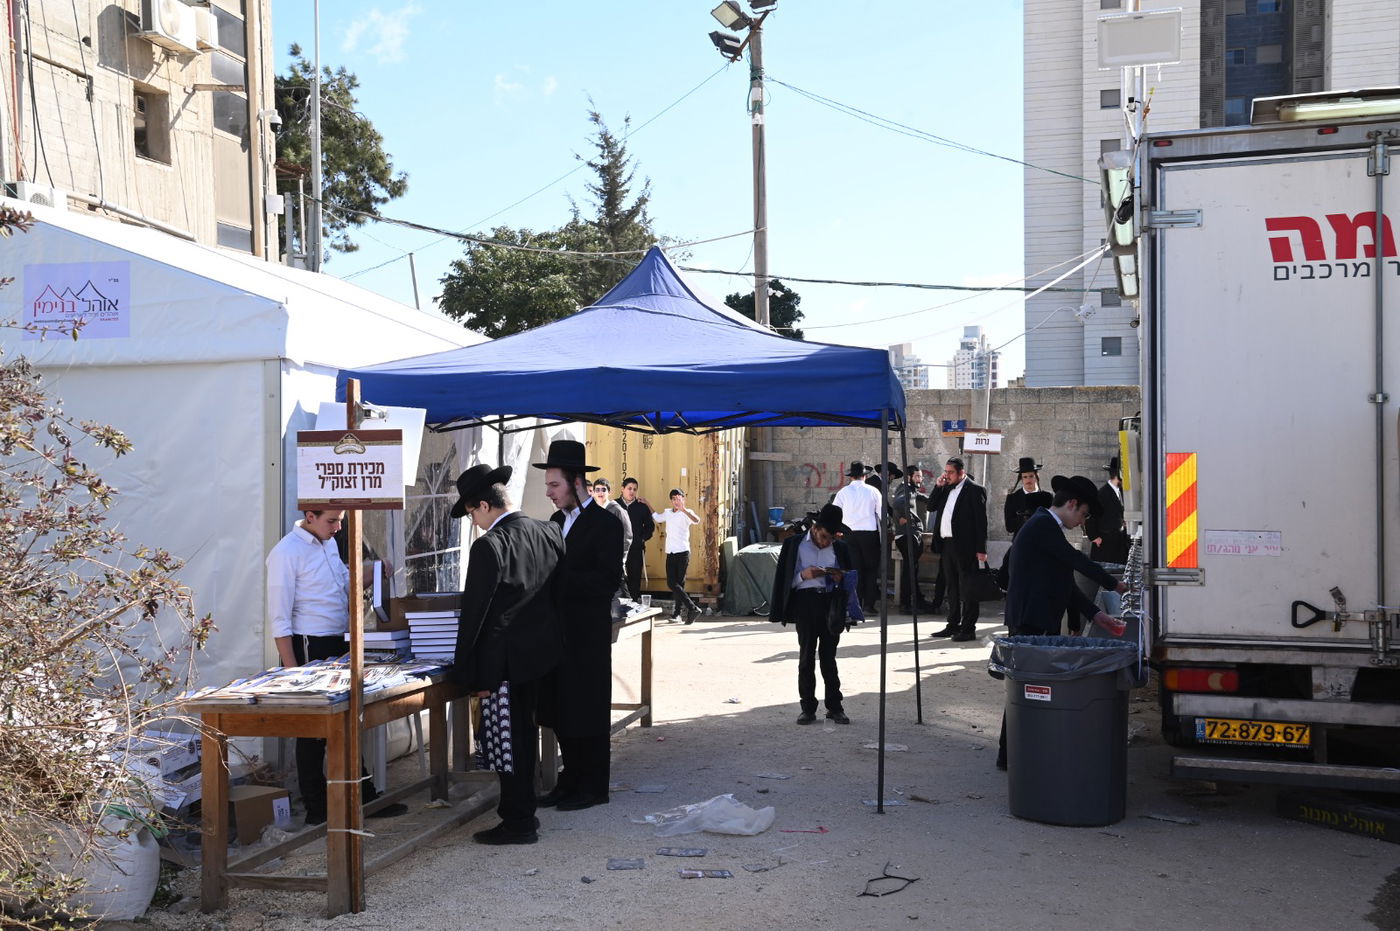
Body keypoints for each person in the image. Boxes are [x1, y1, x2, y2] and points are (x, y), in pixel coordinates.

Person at [266, 509, 407, 825]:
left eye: (341, 519)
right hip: (309, 644)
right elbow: (279, 617)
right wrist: (293, 672)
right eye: (332, 520)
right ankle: (317, 808)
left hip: (339, 640)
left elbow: (343, 581)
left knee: (346, 719)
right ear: (310, 516)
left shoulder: (328, 542)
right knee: (312, 729)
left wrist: (373, 571)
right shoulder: (286, 552)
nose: (339, 526)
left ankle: (363, 797)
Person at [449, 464, 565, 845]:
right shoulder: (548, 531)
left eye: (471, 514)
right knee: (524, 736)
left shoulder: (489, 546)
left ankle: (518, 821)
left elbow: (476, 616)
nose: (475, 523)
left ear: (484, 505)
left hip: (503, 663)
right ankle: (522, 812)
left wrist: (466, 672)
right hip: (542, 656)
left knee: (508, 741)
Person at [997, 474, 1129, 769]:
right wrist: (1116, 584)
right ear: (1072, 504)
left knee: (1029, 686)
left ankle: (1015, 752)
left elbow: (1065, 584)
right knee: (1026, 687)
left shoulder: (1047, 527)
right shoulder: (1043, 525)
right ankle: (1012, 755)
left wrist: (1097, 616)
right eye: (1083, 514)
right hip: (1029, 618)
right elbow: (1077, 561)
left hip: (1037, 616)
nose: (1082, 521)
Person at [534, 440, 624, 812]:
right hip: (558, 633)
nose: (549, 493)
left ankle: (593, 786)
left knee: (588, 707)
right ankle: (569, 781)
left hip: (587, 634)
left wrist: (559, 581)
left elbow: (607, 581)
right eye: (548, 486)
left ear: (575, 482)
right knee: (561, 708)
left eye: (554, 485)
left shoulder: (605, 522)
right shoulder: (557, 522)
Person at [769, 504, 856, 725]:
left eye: (831, 539)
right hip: (805, 603)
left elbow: (851, 580)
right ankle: (807, 708)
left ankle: (835, 707)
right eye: (824, 536)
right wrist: (803, 575)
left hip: (831, 603)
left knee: (829, 657)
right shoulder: (794, 545)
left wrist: (839, 578)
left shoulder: (840, 548)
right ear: (815, 528)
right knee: (806, 655)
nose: (827, 542)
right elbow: (784, 579)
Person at [928, 457, 989, 642]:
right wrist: (938, 487)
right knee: (951, 586)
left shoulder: (975, 490)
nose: (947, 475)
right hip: (947, 545)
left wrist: (981, 549)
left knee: (968, 587)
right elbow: (931, 506)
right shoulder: (945, 488)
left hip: (967, 547)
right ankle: (952, 624)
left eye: (950, 472)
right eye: (945, 472)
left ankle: (968, 628)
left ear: (961, 472)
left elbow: (981, 522)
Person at [832, 461, 883, 613]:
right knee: (871, 570)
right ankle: (869, 605)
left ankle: (855, 604)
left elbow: (834, 512)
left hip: (849, 534)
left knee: (854, 569)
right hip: (869, 534)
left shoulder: (843, 492)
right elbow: (881, 514)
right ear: (864, 476)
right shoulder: (873, 491)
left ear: (851, 477)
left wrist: (837, 529)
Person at [652, 489, 702, 623]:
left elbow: (697, 520)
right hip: (671, 552)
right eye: (674, 498)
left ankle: (677, 614)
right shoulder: (668, 513)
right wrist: (646, 503)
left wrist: (684, 509)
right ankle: (692, 608)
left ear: (683, 499)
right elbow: (656, 517)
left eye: (679, 498)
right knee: (672, 583)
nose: (676, 501)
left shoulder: (687, 512)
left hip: (683, 552)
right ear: (671, 501)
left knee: (679, 584)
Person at [892, 464, 932, 612]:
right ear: (908, 477)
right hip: (908, 535)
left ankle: (915, 599)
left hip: (909, 534)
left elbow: (924, 498)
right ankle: (906, 603)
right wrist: (906, 518)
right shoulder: (906, 490)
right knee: (910, 570)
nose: (920, 479)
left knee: (911, 569)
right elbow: (897, 503)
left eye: (921, 476)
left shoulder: (910, 490)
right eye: (917, 476)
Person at [589, 477, 633, 599]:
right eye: (597, 490)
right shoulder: (593, 511)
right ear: (593, 493)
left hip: (615, 559)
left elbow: (628, 535)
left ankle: (632, 616)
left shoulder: (617, 510)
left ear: (609, 492)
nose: (600, 493)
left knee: (622, 593)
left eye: (603, 490)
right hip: (600, 561)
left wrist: (622, 558)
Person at [1085, 456, 1130, 565]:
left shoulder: (1121, 492)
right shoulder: (1103, 494)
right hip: (1105, 545)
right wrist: (1094, 537)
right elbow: (1090, 517)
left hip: (1118, 544)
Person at [619, 477, 655, 600]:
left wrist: (641, 539)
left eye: (634, 489)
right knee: (618, 578)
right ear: (622, 489)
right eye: (629, 488)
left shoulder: (641, 507)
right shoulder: (614, 505)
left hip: (635, 549)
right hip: (616, 549)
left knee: (634, 578)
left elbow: (650, 527)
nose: (632, 491)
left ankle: (633, 605)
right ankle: (618, 607)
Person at [1004, 456, 1052, 535]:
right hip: (1021, 542)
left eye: (1031, 476)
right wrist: (1023, 516)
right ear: (1021, 479)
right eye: (1025, 477)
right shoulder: (1012, 498)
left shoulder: (1047, 497)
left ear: (1037, 476)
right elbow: (1009, 527)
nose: (1028, 480)